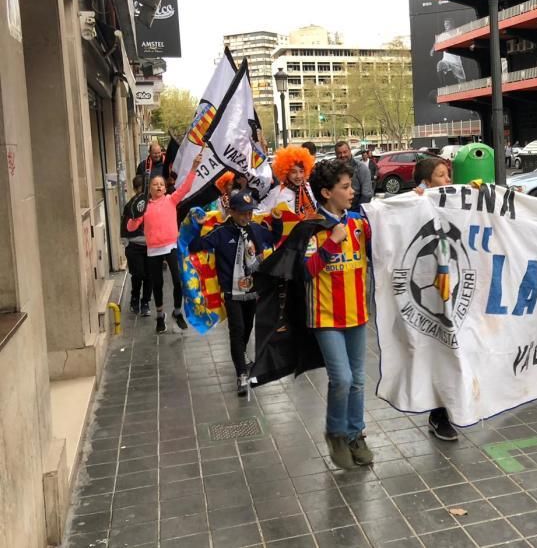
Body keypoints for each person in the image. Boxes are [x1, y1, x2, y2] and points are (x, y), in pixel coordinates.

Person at [306, 160, 374, 470]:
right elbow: (306, 271)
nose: (352, 191)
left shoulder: (360, 222)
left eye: (351, 185)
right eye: (345, 187)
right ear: (325, 192)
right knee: (342, 378)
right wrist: (332, 242)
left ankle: (354, 434)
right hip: (325, 316)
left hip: (357, 312)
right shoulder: (311, 227)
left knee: (359, 379)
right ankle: (335, 433)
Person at [189, 189, 283, 395]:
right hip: (232, 293)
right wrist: (196, 225)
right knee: (237, 330)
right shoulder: (221, 232)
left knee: (247, 328)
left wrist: (277, 221)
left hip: (252, 290)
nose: (247, 216)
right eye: (242, 212)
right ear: (231, 211)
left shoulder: (256, 229)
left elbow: (273, 238)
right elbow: (196, 245)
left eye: (249, 212)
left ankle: (241, 355)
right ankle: (241, 373)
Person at [411, 156, 460, 442]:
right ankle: (438, 414)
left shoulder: (455, 201)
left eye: (449, 175)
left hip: (457, 286)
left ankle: (455, 406)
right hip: (433, 295)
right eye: (441, 176)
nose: (448, 181)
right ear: (427, 183)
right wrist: (415, 201)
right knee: (440, 348)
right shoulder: (417, 202)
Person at [127, 151, 202, 333]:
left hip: (171, 246)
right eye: (155, 184)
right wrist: (136, 216)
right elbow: (130, 227)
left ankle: (177, 311)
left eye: (161, 184)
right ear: (149, 189)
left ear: (165, 188)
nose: (159, 186)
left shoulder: (171, 200)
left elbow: (185, 187)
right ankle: (160, 316)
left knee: (178, 281)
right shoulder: (144, 206)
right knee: (158, 285)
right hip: (153, 250)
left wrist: (193, 168)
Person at [120, 175, 151, 316]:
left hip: (151, 246)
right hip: (134, 246)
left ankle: (145, 302)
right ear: (135, 189)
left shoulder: (152, 204)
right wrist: (126, 243)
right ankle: (134, 298)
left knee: (149, 276)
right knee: (138, 274)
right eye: (139, 190)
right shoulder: (131, 206)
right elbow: (124, 226)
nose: (142, 193)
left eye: (144, 190)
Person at [259, 146, 317, 218]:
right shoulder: (277, 192)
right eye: (293, 172)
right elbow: (260, 212)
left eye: (301, 171)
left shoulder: (311, 188)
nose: (298, 176)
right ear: (286, 172)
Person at [335, 141, 373, 212]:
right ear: (336, 154)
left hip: (355, 210)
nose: (342, 155)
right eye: (339, 153)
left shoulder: (361, 168)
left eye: (345, 152)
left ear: (350, 151)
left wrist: (357, 213)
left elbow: (366, 195)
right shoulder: (332, 169)